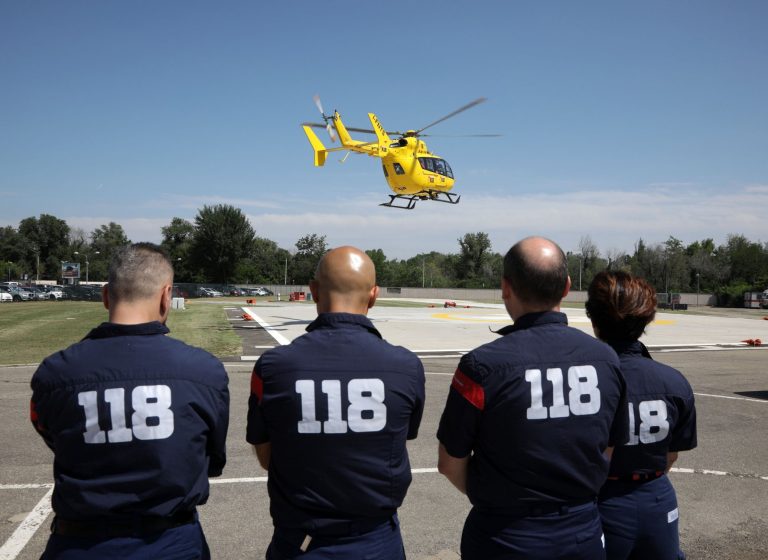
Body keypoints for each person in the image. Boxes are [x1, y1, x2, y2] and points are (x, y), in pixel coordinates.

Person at [31, 243, 230, 559]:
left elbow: (52, 434)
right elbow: (211, 458)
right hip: (171, 543)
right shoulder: (204, 371)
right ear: (167, 296)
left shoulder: (55, 373)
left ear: (106, 295)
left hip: (79, 544)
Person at [437, 236, 628, 560]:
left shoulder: (481, 366)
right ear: (567, 286)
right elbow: (609, 448)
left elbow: (449, 463)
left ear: (505, 287)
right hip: (582, 534)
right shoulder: (606, 360)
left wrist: (494, 498)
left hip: (504, 536)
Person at [247, 246, 425, 560]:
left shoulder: (273, 367)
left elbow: (266, 454)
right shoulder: (406, 367)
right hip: (376, 541)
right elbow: (396, 441)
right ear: (374, 296)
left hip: (301, 541)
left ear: (313, 291)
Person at [586, 271, 697, 560]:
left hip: (599, 500)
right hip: (656, 497)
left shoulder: (584, 384)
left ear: (594, 321)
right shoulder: (673, 383)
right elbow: (671, 455)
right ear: (647, 319)